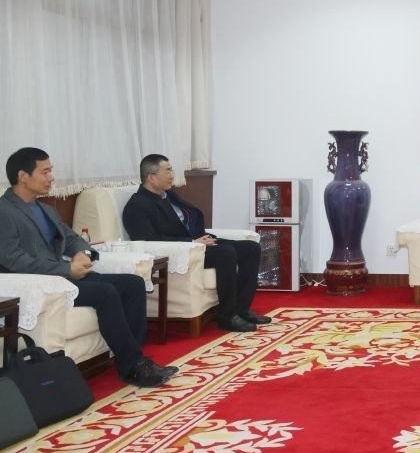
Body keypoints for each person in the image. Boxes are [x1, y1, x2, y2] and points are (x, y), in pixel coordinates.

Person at [0, 148, 177, 387]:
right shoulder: (5, 211)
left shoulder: (45, 209)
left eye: (51, 171)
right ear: (23, 176)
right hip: (43, 284)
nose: (51, 177)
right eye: (45, 172)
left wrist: (82, 253)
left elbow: (72, 238)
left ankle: (134, 361)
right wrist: (66, 270)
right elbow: (13, 259)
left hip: (64, 276)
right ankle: (134, 365)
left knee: (133, 284)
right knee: (106, 293)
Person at [122, 154, 267, 333]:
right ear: (151, 177)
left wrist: (201, 239)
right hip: (182, 251)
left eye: (172, 170)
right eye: (168, 171)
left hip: (197, 242)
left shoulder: (168, 196)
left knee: (251, 248)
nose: (172, 175)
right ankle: (227, 317)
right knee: (225, 253)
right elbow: (148, 240)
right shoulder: (137, 205)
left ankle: (241, 309)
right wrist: (192, 242)